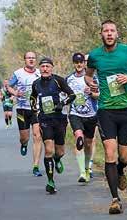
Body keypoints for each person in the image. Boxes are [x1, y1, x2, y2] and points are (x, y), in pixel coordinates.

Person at [85, 19, 127, 214]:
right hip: (106, 109)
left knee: (125, 157)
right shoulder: (95, 55)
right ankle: (115, 199)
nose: (109, 34)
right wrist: (91, 83)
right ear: (101, 34)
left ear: (117, 33)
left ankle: (121, 170)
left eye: (112, 30)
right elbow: (88, 75)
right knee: (109, 153)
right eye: (105, 31)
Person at [30, 57, 76, 194]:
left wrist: (62, 104)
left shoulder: (58, 80)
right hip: (45, 120)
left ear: (51, 68)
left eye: (47, 66)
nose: (45, 69)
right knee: (48, 150)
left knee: (60, 151)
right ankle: (50, 181)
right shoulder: (36, 83)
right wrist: (35, 113)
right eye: (42, 66)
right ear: (40, 69)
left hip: (60, 119)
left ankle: (57, 159)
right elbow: (32, 98)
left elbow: (72, 95)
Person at [7, 51, 43, 177]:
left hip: (36, 109)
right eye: (29, 58)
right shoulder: (18, 73)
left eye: (33, 58)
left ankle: (36, 166)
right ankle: (24, 143)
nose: (31, 60)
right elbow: (9, 86)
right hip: (22, 109)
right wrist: (15, 93)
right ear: (25, 60)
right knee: (25, 137)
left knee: (37, 136)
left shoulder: (40, 72)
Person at [66, 52, 99, 183]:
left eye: (81, 62)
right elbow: (65, 96)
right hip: (75, 114)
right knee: (79, 138)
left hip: (91, 115)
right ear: (73, 63)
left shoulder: (93, 78)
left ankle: (87, 168)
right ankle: (81, 173)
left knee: (89, 143)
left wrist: (91, 93)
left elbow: (99, 96)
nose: (79, 64)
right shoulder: (68, 79)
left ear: (84, 63)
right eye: (76, 62)